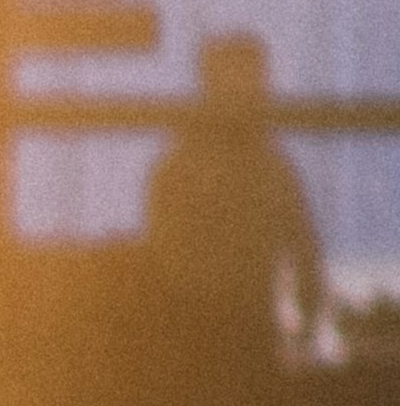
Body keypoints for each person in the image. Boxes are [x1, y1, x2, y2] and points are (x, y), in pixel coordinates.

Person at [140, 28, 329, 365]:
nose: (257, 95)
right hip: (209, 332)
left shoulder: (181, 166)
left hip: (225, 332)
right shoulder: (265, 168)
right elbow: (304, 251)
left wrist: (308, 319)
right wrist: (307, 323)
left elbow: (304, 250)